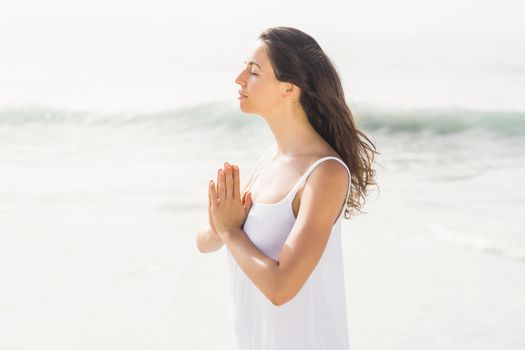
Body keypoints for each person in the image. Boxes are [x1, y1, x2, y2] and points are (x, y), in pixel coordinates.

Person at [195, 26, 378, 350]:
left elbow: (282, 287)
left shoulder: (325, 174)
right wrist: (221, 228)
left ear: (289, 89)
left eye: (253, 71)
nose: (239, 79)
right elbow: (205, 241)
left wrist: (231, 233)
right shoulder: (269, 161)